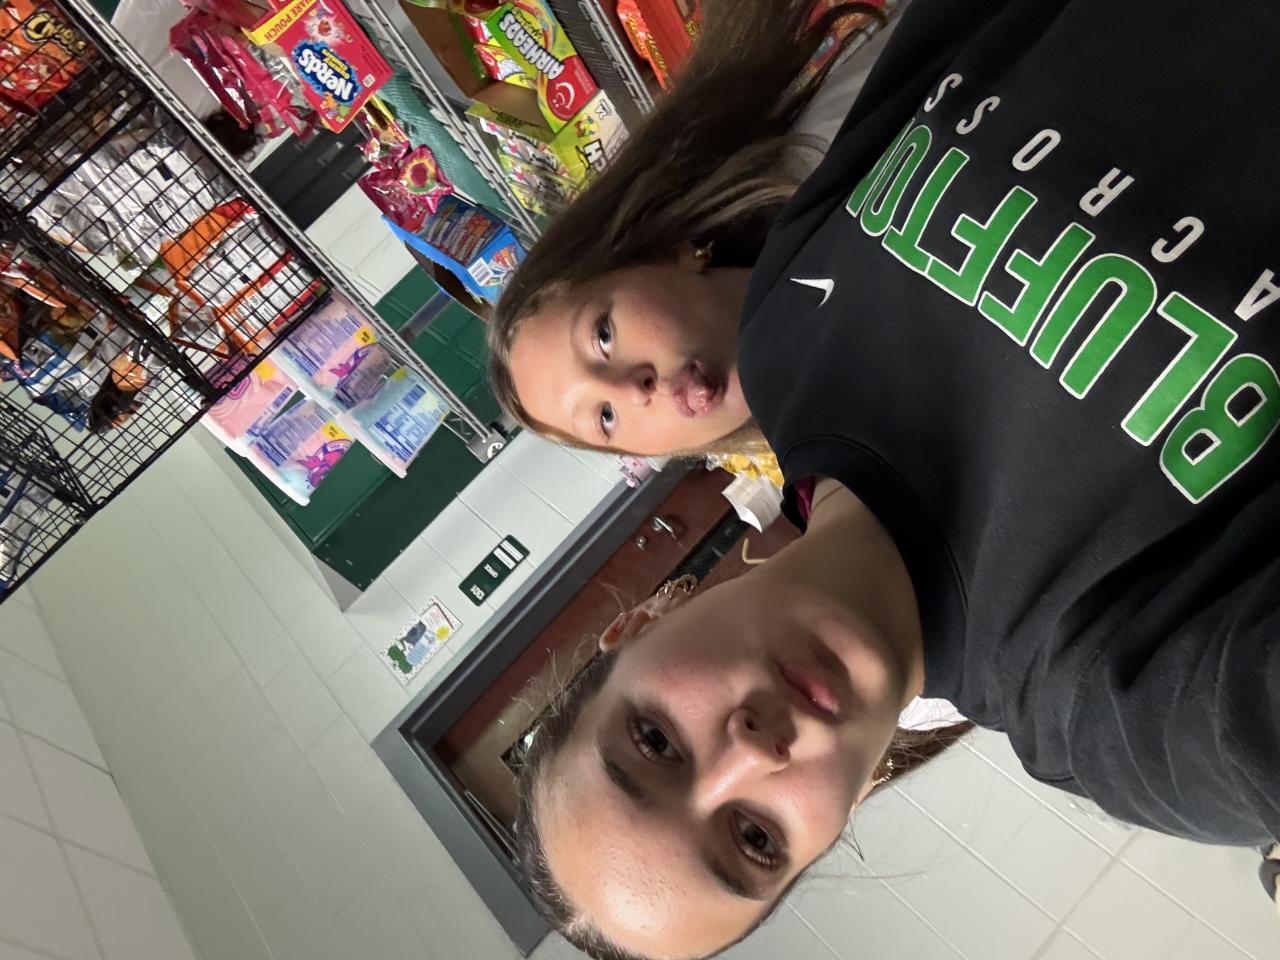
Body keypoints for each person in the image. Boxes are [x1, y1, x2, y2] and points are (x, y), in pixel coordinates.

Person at [501, 0, 1280, 956]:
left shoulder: (784, 334)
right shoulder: (1108, 703)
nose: (750, 750)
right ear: (837, 823)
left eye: (655, 741)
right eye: (754, 839)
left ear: (638, 624)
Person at [489, 0, 894, 458]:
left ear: (667, 252)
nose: (630, 389)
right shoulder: (851, 449)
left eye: (602, 336)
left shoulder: (834, 161)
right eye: (605, 418)